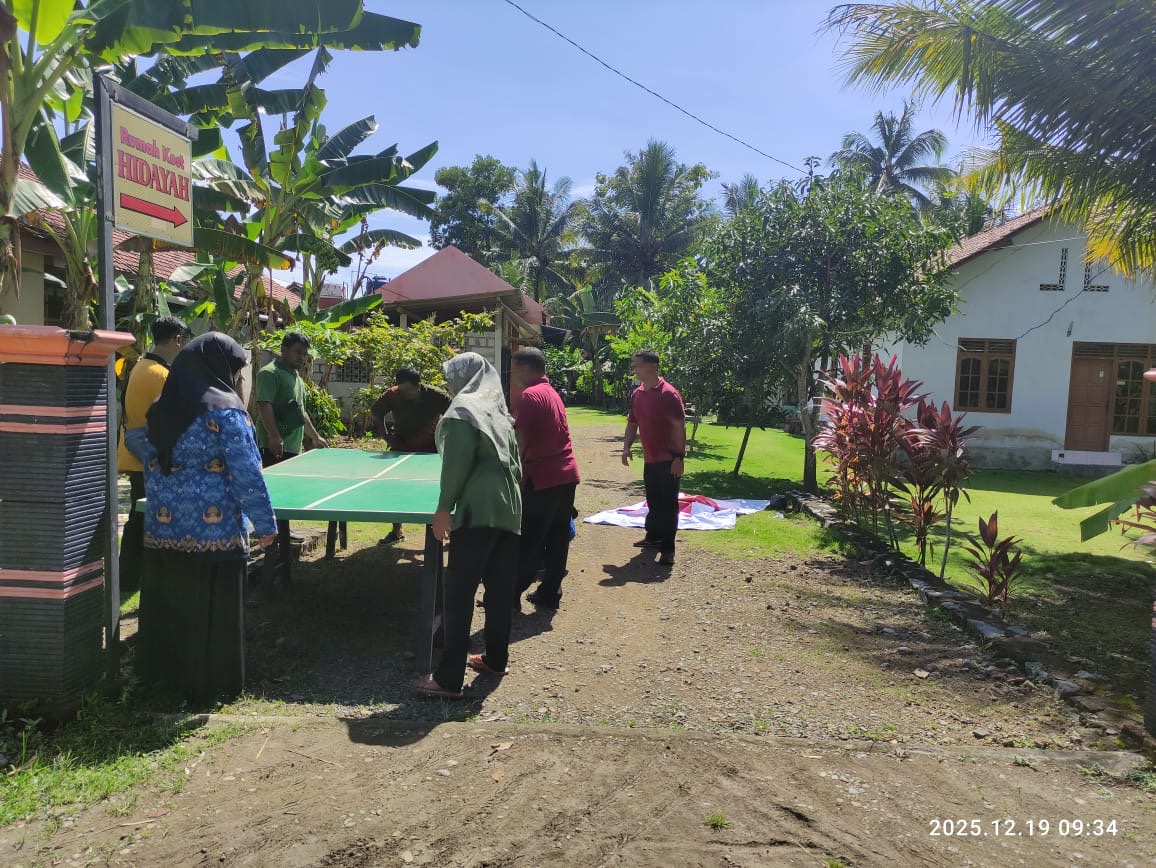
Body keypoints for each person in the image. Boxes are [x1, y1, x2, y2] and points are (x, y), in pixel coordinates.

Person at [125, 333, 277, 705]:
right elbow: (247, 472)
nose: (239, 380)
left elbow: (139, 444)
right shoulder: (226, 410)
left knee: (171, 605)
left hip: (164, 530)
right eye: (237, 372)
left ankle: (162, 679)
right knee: (210, 611)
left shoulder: (164, 406)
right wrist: (266, 524)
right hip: (216, 534)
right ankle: (209, 685)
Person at [413, 352, 522, 698]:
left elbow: (456, 465)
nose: (450, 385)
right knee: (500, 589)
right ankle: (496, 658)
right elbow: (517, 464)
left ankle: (448, 679)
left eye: (452, 378)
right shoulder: (498, 412)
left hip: (478, 508)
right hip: (509, 507)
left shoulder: (463, 412)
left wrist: (444, 509)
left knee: (459, 594)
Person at [117, 316, 190, 594]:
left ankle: (128, 578)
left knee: (139, 520)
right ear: (176, 340)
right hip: (149, 458)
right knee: (147, 521)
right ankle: (134, 578)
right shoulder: (161, 375)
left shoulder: (140, 366)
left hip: (135, 455)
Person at [511, 347, 580, 609]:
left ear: (527, 368)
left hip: (543, 478)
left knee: (530, 540)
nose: (514, 374)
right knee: (557, 538)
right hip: (566, 475)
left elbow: (521, 441)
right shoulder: (552, 393)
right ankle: (550, 593)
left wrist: (517, 476)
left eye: (516, 368)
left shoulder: (529, 396)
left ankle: (510, 594)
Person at [254, 331, 327, 572]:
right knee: (275, 495)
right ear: (283, 349)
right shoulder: (269, 374)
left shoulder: (295, 376)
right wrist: (274, 435)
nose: (301, 358)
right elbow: (264, 405)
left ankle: (282, 539)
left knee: (287, 494)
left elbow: (300, 412)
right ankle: (271, 543)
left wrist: (314, 437)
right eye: (298, 352)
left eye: (304, 354)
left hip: (292, 445)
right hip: (274, 445)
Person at [369, 366, 451, 544]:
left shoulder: (437, 396)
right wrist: (387, 438)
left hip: (431, 451)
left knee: (433, 491)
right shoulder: (393, 394)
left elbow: (455, 416)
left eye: (408, 390)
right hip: (401, 449)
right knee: (396, 489)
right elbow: (377, 413)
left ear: (418, 385)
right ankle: (397, 531)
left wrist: (447, 439)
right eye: (401, 389)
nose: (404, 393)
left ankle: (435, 533)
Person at [621, 349, 686, 566]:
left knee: (668, 506)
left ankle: (668, 549)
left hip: (669, 460)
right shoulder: (638, 394)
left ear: (651, 366)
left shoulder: (668, 394)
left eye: (637, 365)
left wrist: (679, 458)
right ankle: (653, 537)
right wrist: (626, 447)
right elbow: (632, 422)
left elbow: (679, 427)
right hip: (650, 460)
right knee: (654, 502)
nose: (634, 369)